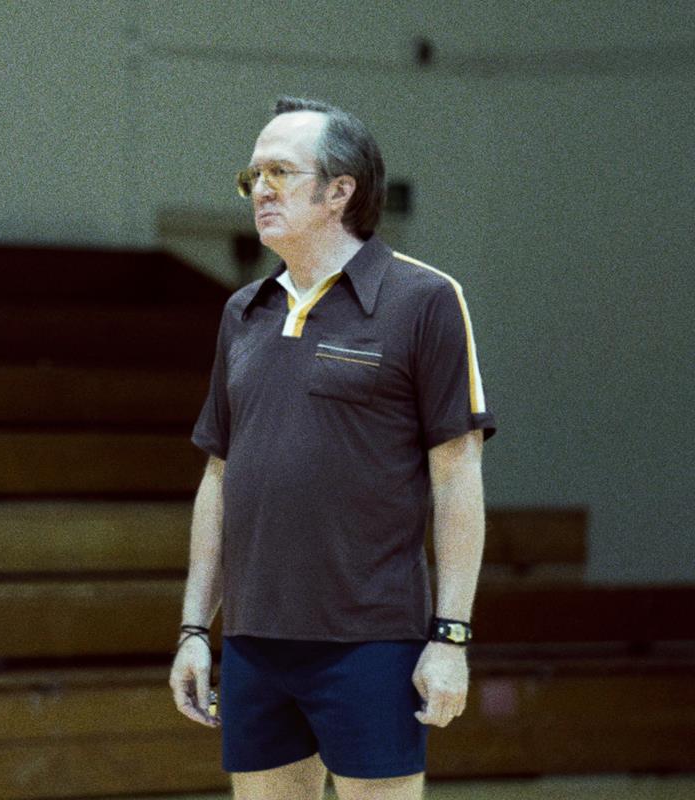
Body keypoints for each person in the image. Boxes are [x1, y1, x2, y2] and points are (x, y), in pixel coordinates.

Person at [169, 97, 495, 800]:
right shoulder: (243, 312)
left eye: (281, 172)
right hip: (256, 642)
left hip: (372, 642)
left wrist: (451, 638)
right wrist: (196, 627)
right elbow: (218, 476)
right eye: (252, 175)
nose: (260, 189)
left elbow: (457, 474)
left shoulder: (425, 299)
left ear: (340, 190)